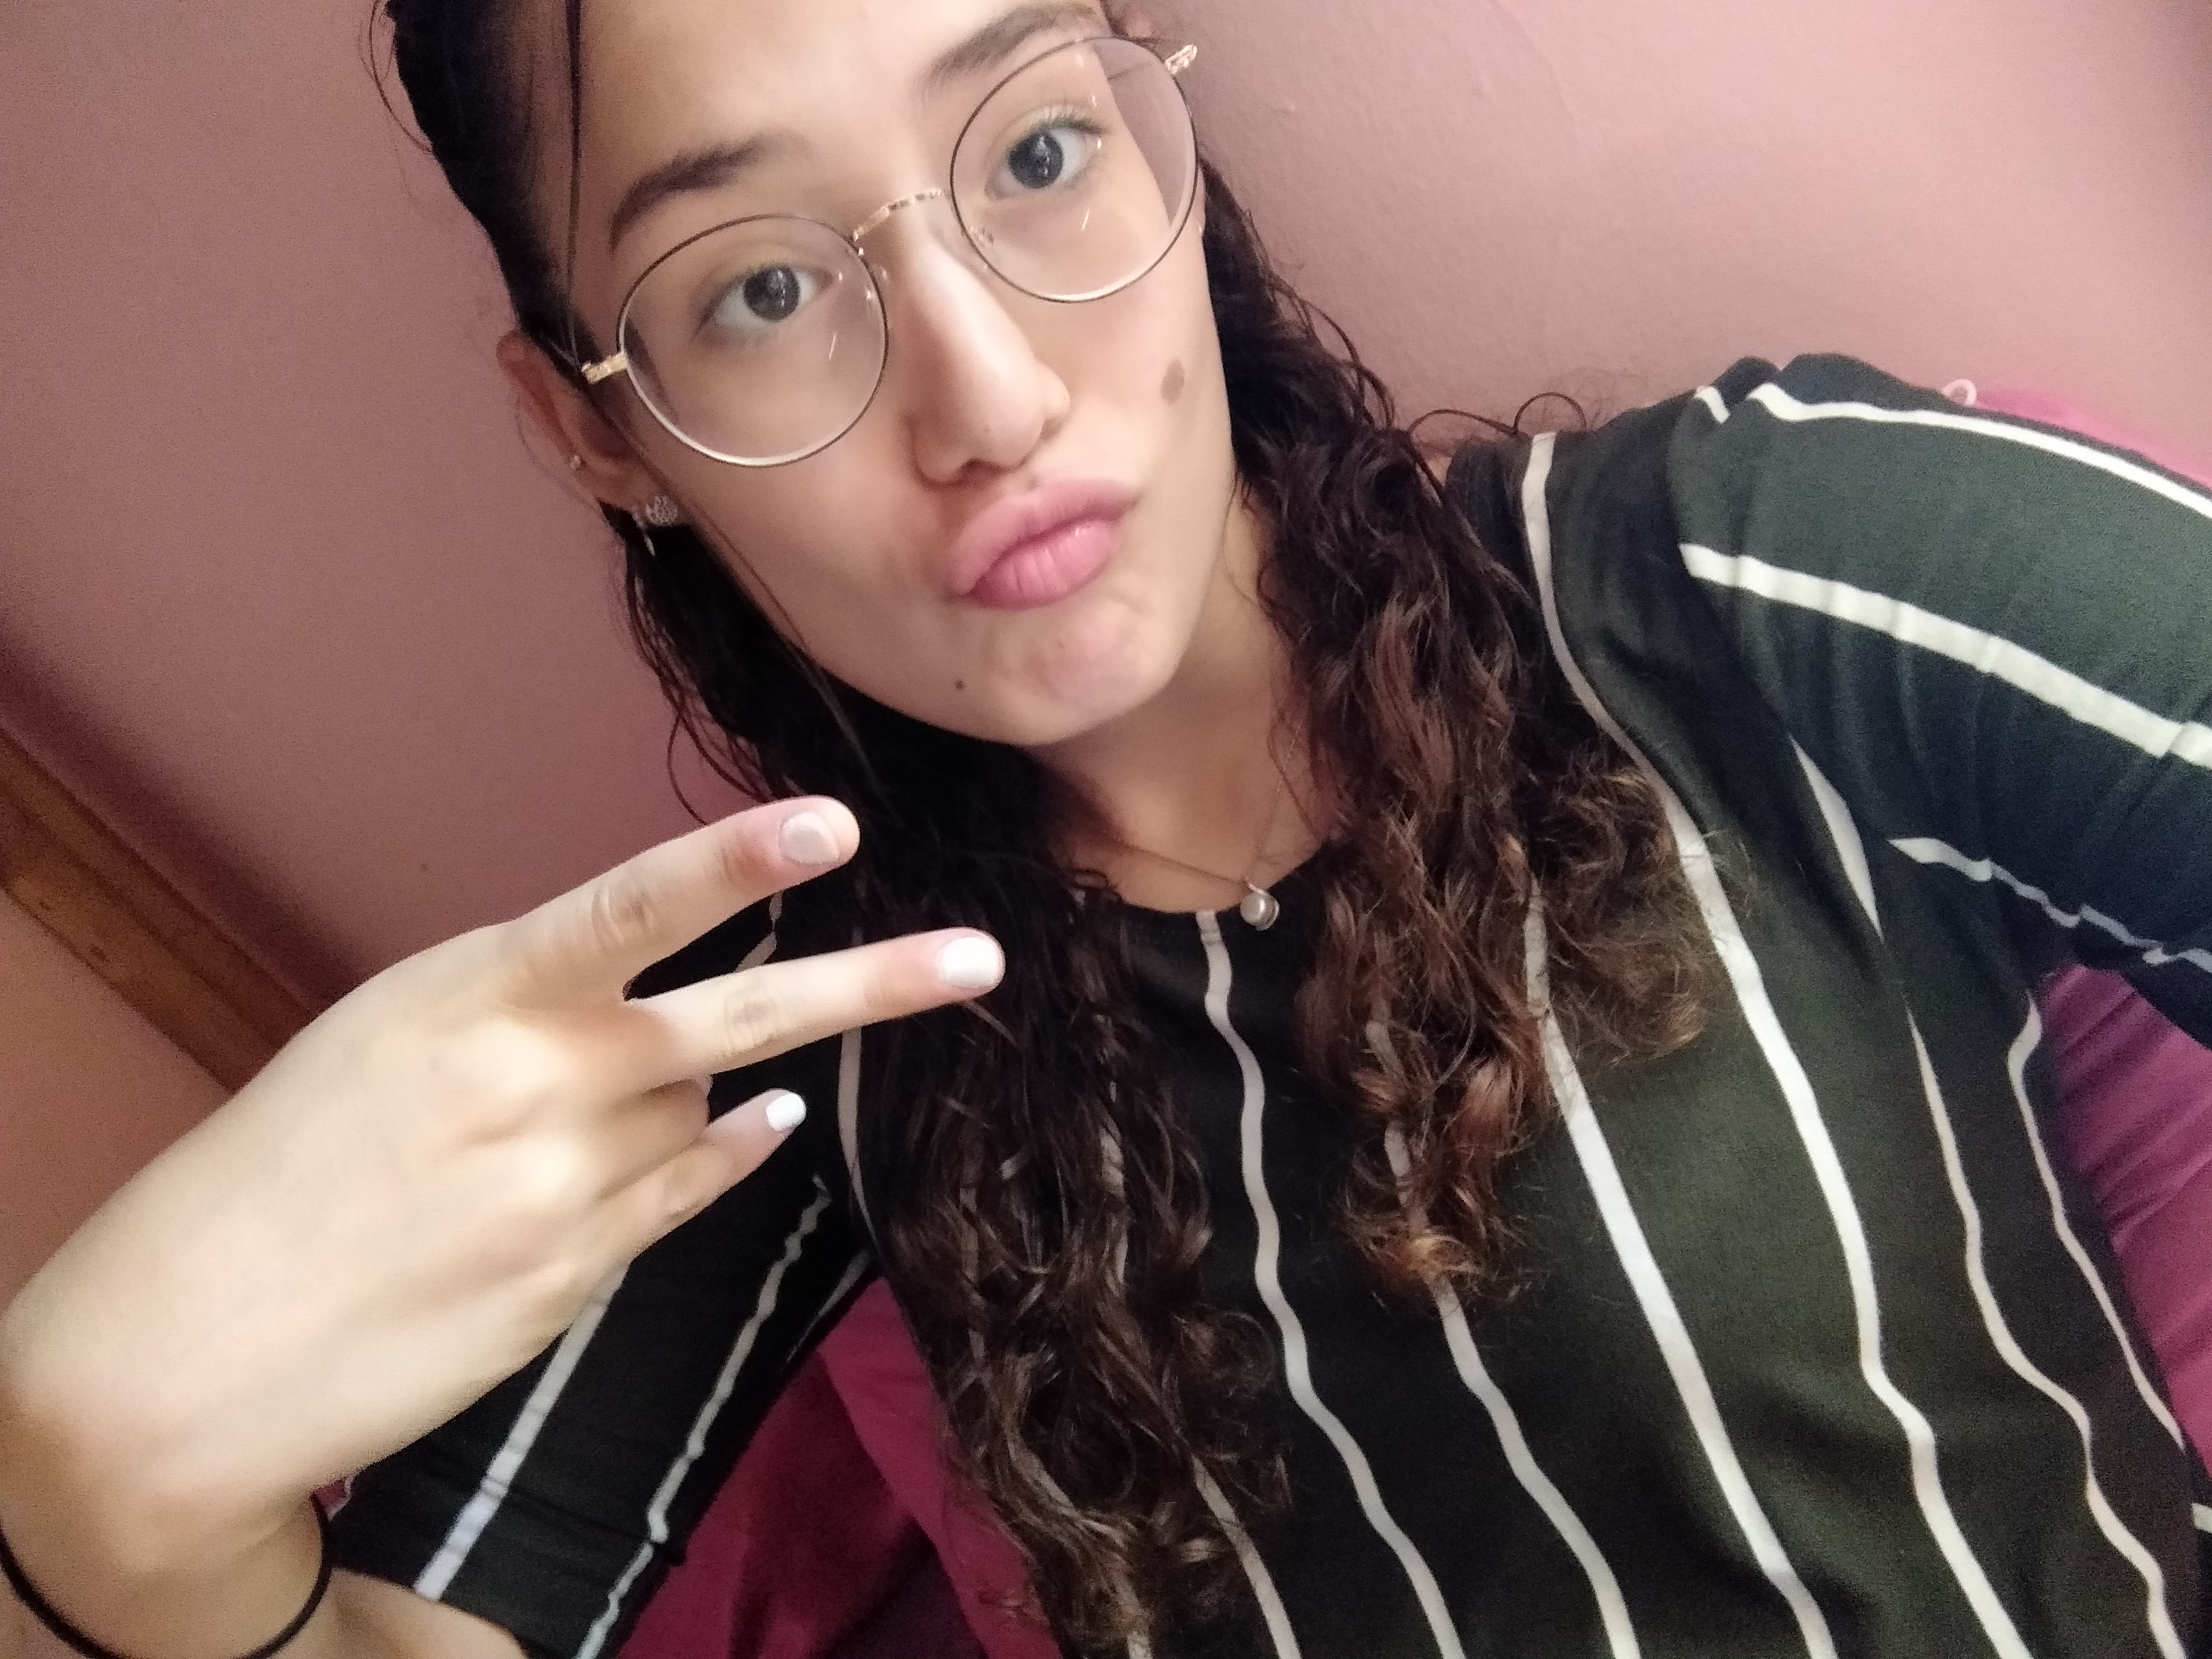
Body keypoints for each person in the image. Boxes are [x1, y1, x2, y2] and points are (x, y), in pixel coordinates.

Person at [1, 0, 2207, 1656]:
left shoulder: (1746, 576)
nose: (992, 396)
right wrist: (93, 1501)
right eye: (761, 289)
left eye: (1039, 149)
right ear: (602, 434)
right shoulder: (803, 1036)